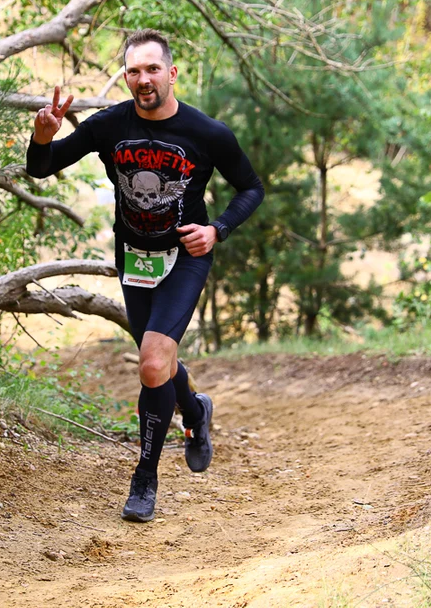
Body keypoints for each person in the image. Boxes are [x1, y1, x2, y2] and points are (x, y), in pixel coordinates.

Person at [26, 29, 264, 522]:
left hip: (185, 256)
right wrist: (42, 137)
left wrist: (217, 229)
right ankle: (195, 413)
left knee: (153, 363)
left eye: (152, 69)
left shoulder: (207, 133)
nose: (143, 79)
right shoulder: (109, 125)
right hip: (135, 256)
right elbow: (41, 169)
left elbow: (252, 189)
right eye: (133, 71)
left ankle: (145, 478)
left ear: (171, 73)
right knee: (160, 361)